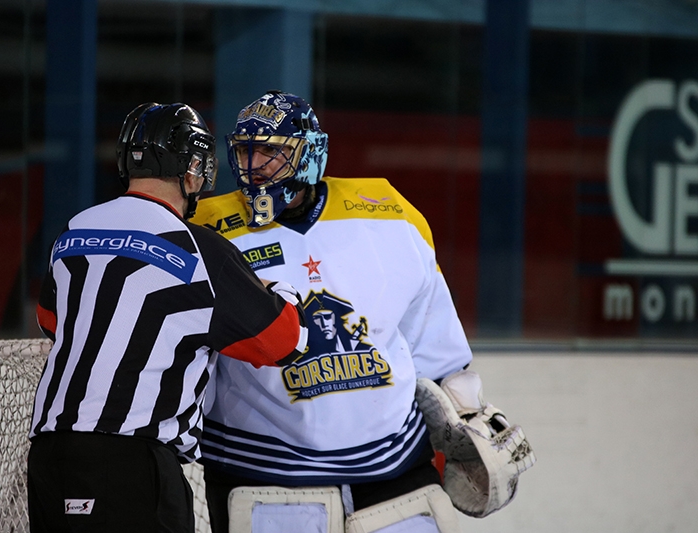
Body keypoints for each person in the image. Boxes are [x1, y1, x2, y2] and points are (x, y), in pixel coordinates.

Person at [191, 91, 533, 532]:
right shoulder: (205, 228)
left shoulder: (391, 214)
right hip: (262, 475)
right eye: (245, 150)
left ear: (310, 153)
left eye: (271, 153)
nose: (253, 165)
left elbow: (436, 344)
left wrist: (467, 414)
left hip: (396, 469)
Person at [27, 102, 309, 533]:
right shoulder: (199, 247)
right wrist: (282, 290)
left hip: (49, 457)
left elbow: (50, 318)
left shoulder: (74, 230)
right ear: (192, 166)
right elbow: (281, 341)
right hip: (132, 463)